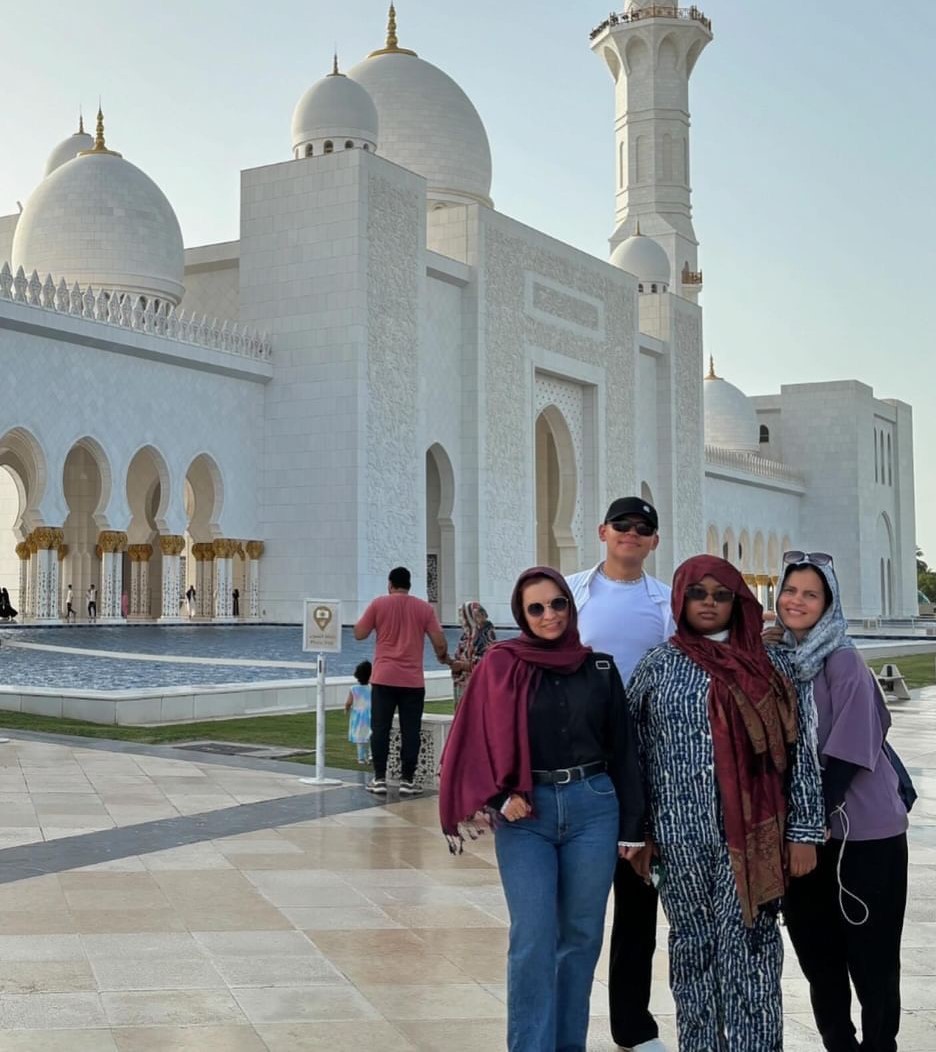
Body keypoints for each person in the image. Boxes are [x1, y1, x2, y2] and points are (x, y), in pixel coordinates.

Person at [439, 566, 645, 1052]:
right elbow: (472, 742)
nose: (549, 615)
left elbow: (624, 752)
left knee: (580, 938)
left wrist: (632, 827)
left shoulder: (598, 668)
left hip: (593, 809)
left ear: (570, 608)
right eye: (537, 608)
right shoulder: (501, 664)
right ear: (521, 614)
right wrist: (496, 798)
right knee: (532, 938)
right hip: (526, 815)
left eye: (557, 604)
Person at [626, 555, 824, 1052]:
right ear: (681, 599)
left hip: (756, 838)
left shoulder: (770, 664)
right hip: (679, 838)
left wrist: (804, 831)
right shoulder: (658, 666)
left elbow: (799, 753)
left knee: (751, 949)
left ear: (737, 602)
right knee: (692, 948)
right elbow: (633, 756)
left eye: (720, 595)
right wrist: (637, 832)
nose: (709, 604)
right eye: (698, 593)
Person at [775, 552, 909, 1052]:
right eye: (791, 591)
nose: (798, 601)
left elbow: (853, 748)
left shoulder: (842, 659)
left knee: (871, 957)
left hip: (863, 834)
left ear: (828, 604)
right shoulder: (785, 660)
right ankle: (839, 1044)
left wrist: (817, 814)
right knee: (818, 953)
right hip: (807, 836)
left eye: (811, 594)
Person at [567, 496, 675, 1052]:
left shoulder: (667, 605)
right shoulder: (569, 592)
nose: (632, 534)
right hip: (581, 764)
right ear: (601, 531)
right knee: (577, 910)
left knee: (637, 906)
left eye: (643, 528)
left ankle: (632, 1027)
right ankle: (563, 1029)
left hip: (647, 769)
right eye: (623, 526)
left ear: (654, 541)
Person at [354, 566, 450, 796]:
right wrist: (443, 657)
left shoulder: (379, 604)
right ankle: (407, 780)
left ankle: (379, 779)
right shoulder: (423, 608)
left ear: (390, 584)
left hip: (384, 678)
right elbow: (439, 641)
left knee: (380, 729)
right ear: (409, 585)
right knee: (411, 731)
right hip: (412, 681)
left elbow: (359, 633)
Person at [449, 600, 496, 708]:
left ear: (471, 617)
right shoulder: (466, 636)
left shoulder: (486, 636)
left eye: (462, 616)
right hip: (465, 684)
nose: (460, 620)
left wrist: (462, 665)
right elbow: (459, 656)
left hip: (479, 687)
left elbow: (486, 665)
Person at [345, 659, 373, 765]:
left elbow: (348, 702)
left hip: (358, 716)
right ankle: (371, 755)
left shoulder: (353, 689)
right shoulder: (372, 688)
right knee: (371, 736)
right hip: (370, 715)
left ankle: (361, 758)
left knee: (360, 738)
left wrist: (346, 709)